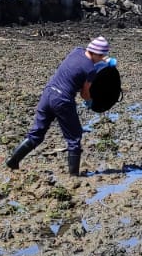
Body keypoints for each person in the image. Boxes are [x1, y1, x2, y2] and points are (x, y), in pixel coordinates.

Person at [6, 35, 111, 177]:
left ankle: (13, 161)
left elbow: (79, 67)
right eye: (102, 55)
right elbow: (84, 94)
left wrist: (104, 61)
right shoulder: (90, 70)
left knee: (37, 133)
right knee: (74, 137)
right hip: (63, 100)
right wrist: (91, 100)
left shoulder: (77, 51)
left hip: (48, 93)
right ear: (96, 53)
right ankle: (74, 176)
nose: (102, 57)